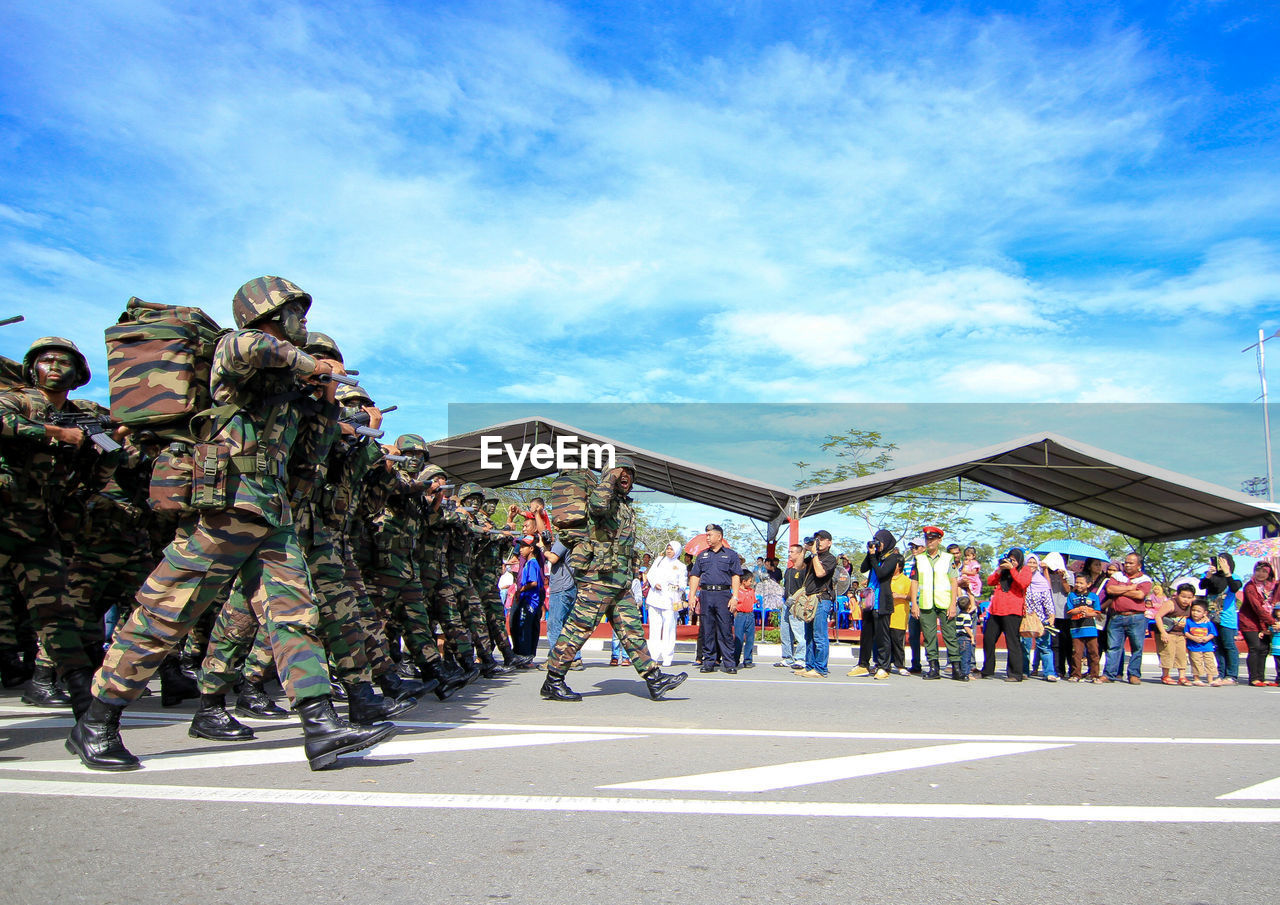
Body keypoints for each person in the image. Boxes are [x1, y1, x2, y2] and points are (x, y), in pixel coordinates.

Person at [67, 276, 394, 771]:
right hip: (223, 506)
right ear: (267, 313)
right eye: (295, 312)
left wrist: (326, 397)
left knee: (294, 615)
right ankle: (96, 722)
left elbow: (314, 451)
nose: (303, 321)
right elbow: (251, 345)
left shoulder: (285, 390)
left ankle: (321, 725)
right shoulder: (237, 349)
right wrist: (316, 364)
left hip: (270, 512)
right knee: (166, 614)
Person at [1, 336, 120, 717]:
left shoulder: (83, 412)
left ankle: (87, 712)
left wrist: (110, 443)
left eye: (64, 362)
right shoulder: (19, 400)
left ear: (77, 373)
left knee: (57, 613)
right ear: (32, 367)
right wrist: (57, 434)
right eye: (47, 360)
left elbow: (98, 477)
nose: (55, 367)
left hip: (38, 528)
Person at [539, 457, 686, 701]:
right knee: (579, 627)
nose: (625, 476)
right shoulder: (602, 498)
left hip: (619, 579)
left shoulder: (624, 505)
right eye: (620, 472)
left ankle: (654, 678)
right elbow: (597, 505)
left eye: (629, 472)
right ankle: (553, 680)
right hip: (598, 577)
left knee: (631, 630)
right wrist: (611, 476)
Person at [688, 524, 743, 674]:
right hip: (706, 595)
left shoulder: (731, 555)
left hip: (723, 595)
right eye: (706, 535)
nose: (707, 537)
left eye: (710, 535)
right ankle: (709, 661)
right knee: (707, 629)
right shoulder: (702, 555)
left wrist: (735, 596)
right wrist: (692, 596)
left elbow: (736, 576)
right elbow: (695, 576)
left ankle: (729, 662)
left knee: (725, 629)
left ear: (719, 537)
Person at [909, 526, 960, 680]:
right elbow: (914, 582)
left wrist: (953, 604)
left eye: (932, 539)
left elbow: (953, 582)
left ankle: (957, 667)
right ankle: (933, 667)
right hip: (926, 603)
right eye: (927, 539)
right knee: (929, 637)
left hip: (944, 602)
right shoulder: (919, 559)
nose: (929, 541)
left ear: (939, 540)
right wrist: (914, 604)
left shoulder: (947, 558)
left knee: (950, 635)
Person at [1098, 553, 1153, 685]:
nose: (1127, 565)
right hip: (1116, 616)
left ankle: (1134, 674)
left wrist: (1120, 589)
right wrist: (1129, 588)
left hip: (1136, 617)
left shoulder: (1145, 579)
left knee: (1137, 647)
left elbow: (1140, 594)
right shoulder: (1117, 575)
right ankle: (1109, 674)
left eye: (1131, 563)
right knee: (1113, 647)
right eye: (1126, 562)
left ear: (1139, 566)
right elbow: (1110, 589)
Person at [981, 548, 1032, 681]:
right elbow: (990, 581)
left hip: (1013, 611)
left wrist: (1012, 569)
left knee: (1012, 642)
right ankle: (987, 670)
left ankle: (1015, 673)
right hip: (996, 610)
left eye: (1014, 560)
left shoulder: (1024, 570)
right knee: (988, 639)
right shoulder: (1002, 571)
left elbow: (1023, 583)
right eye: (1010, 559)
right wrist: (999, 569)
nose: (1012, 562)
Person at [861, 529, 903, 680]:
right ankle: (863, 664)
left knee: (882, 636)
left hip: (882, 602)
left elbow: (881, 573)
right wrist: (870, 553)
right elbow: (863, 568)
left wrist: (873, 557)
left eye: (880, 541)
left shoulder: (893, 558)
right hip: (869, 602)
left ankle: (884, 666)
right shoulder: (876, 555)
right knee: (866, 635)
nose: (878, 544)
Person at [797, 530, 837, 678]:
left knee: (820, 635)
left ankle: (821, 669)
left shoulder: (830, 558)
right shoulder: (813, 556)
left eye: (821, 539)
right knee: (809, 636)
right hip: (809, 599)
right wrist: (804, 549)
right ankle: (810, 666)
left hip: (821, 599)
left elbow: (820, 573)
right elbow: (798, 567)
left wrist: (814, 554)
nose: (818, 542)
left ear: (829, 543)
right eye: (817, 539)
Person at [1201, 553, 1242, 684]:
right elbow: (1202, 586)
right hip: (1212, 617)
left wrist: (1227, 572)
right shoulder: (1211, 576)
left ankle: (1232, 676)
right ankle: (1221, 673)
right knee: (1218, 646)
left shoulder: (1234, 577)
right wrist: (1209, 575)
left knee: (1229, 645)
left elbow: (1235, 587)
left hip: (1227, 617)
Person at [543, 535, 582, 670]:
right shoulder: (576, 538)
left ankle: (556, 659)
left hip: (561, 587)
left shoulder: (563, 539)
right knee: (569, 625)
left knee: (555, 625)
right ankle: (575, 658)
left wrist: (544, 549)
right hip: (572, 586)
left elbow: (553, 558)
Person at [646, 539, 685, 668]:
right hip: (655, 598)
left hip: (670, 600)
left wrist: (675, 587)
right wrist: (654, 583)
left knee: (669, 628)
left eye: (672, 549)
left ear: (677, 551)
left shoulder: (681, 566)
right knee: (655, 628)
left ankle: (667, 656)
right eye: (668, 549)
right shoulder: (659, 561)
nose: (669, 551)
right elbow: (650, 575)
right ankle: (654, 656)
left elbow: (683, 585)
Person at [1239, 561, 1280, 686]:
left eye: (1264, 571)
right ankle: (1254, 678)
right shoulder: (1250, 587)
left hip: (1264, 622)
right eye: (1258, 570)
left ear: (1269, 574)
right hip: (1249, 622)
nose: (1260, 574)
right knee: (1255, 647)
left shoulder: (1272, 587)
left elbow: (1273, 604)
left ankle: (1261, 678)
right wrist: (1273, 623)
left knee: (1264, 649)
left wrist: (1266, 625)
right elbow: (1258, 608)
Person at [1023, 553, 1058, 682]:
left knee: (1044, 646)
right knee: (1024, 646)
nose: (1031, 565)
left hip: (1041, 619)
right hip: (1025, 618)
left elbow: (1048, 601)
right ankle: (1024, 671)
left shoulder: (1042, 581)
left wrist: (1051, 616)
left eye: (1034, 563)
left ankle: (1049, 672)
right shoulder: (1021, 579)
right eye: (1029, 562)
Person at [509, 536, 545, 659]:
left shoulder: (532, 563)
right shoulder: (529, 563)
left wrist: (520, 590)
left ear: (531, 549)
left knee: (525, 627)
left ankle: (525, 655)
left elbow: (533, 582)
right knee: (524, 626)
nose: (521, 549)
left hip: (530, 600)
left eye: (524, 547)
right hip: (528, 599)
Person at [1065, 572, 1103, 682]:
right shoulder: (1071, 596)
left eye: (1081, 583)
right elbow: (1070, 610)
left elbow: (1097, 612)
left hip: (1090, 628)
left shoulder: (1093, 596)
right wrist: (1079, 610)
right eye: (1077, 582)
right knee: (1077, 652)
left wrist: (1088, 613)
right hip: (1076, 629)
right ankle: (1076, 674)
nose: (1078, 585)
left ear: (1089, 584)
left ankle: (1094, 675)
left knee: (1094, 652)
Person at [1155, 583, 1194, 686]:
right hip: (1168, 632)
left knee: (1181, 655)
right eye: (1183, 597)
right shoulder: (1170, 604)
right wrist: (1163, 632)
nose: (1186, 600)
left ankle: (1182, 677)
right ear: (1177, 595)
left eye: (1189, 597)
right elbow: (1158, 616)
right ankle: (1166, 675)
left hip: (1180, 634)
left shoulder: (1191, 606)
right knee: (1168, 653)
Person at [778, 544, 807, 669]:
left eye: (792, 552)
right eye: (789, 551)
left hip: (797, 604)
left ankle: (800, 658)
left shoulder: (803, 569)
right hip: (786, 603)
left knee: (799, 632)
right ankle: (787, 657)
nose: (789, 554)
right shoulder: (789, 570)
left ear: (800, 554)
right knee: (785, 632)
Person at [1184, 601, 1221, 686]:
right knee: (1196, 662)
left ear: (1205, 613)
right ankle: (1196, 678)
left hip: (1207, 647)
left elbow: (1213, 633)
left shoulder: (1207, 623)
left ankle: (1210, 679)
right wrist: (1193, 638)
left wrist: (1207, 638)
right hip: (1194, 647)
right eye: (1193, 610)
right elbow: (1186, 632)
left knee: (1209, 662)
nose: (1195, 613)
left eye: (1198, 611)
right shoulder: (1188, 621)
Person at [887, 559, 911, 675]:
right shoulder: (887, 578)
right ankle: (885, 664)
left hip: (900, 613)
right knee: (886, 641)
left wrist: (899, 596)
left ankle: (900, 665)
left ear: (899, 566)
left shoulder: (906, 580)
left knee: (898, 641)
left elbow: (911, 596)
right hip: (887, 614)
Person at [732, 574, 757, 669]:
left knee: (750, 639)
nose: (751, 583)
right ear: (744, 581)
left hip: (750, 615)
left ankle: (748, 660)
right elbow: (734, 605)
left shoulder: (751, 591)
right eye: (750, 581)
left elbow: (753, 602)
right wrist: (736, 615)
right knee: (739, 639)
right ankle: (735, 659)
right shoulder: (737, 591)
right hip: (740, 615)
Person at [953, 595, 977, 681]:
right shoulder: (967, 616)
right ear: (969, 606)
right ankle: (966, 673)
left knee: (959, 656)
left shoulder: (959, 615)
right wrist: (972, 636)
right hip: (965, 638)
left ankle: (957, 671)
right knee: (966, 657)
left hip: (958, 637)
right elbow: (966, 627)